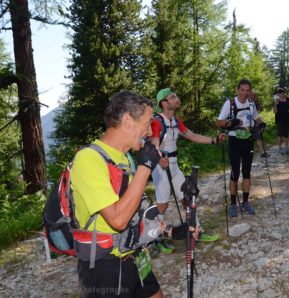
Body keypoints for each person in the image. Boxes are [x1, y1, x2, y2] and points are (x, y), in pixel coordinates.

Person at [71, 91, 194, 298]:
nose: (148, 132)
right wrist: (146, 167)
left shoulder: (124, 158)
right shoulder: (88, 160)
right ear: (127, 120)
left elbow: (136, 215)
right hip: (104, 267)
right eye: (146, 124)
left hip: (135, 256)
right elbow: (118, 219)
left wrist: (172, 231)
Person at [150, 88, 225, 253]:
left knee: (188, 197)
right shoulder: (156, 121)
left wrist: (214, 141)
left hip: (174, 165)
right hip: (161, 167)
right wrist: (159, 157)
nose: (177, 98)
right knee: (162, 205)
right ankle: (157, 237)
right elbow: (154, 143)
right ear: (164, 102)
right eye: (173, 96)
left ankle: (196, 231)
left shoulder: (176, 120)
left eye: (176, 95)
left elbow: (191, 135)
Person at [216, 79, 267, 217]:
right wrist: (229, 122)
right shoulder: (230, 103)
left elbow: (257, 117)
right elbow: (219, 121)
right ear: (237, 89)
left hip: (248, 140)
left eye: (247, 90)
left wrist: (262, 124)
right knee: (235, 173)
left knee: (247, 172)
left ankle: (245, 202)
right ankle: (233, 204)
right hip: (234, 140)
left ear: (250, 91)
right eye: (242, 90)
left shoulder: (251, 103)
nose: (245, 93)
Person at [248, 91, 270, 158]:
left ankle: (262, 153)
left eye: (254, 95)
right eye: (251, 95)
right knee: (248, 138)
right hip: (247, 123)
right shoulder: (246, 102)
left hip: (256, 121)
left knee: (259, 136)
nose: (253, 96)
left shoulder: (255, 102)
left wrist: (257, 101)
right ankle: (248, 153)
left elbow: (261, 109)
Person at [272, 87, 289, 154]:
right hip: (279, 119)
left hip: (287, 118)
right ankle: (279, 147)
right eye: (280, 92)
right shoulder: (276, 101)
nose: (282, 94)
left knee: (286, 134)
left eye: (283, 92)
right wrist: (275, 104)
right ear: (278, 94)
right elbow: (274, 112)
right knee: (280, 133)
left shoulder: (288, 100)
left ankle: (287, 148)